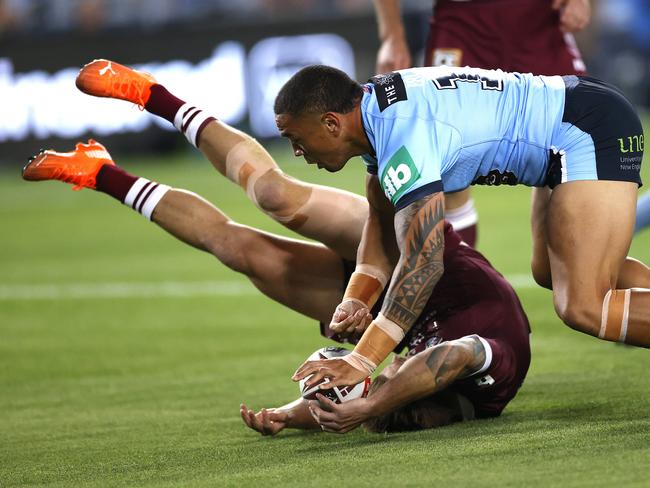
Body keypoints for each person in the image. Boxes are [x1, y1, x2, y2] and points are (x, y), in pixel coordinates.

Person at [21, 59, 530, 434]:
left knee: (237, 250)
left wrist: (289, 414)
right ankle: (156, 98)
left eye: (391, 416)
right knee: (275, 196)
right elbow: (445, 353)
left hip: (376, 309)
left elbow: (380, 384)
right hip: (397, 247)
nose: (394, 412)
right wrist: (366, 358)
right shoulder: (490, 375)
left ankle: (100, 172)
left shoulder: (398, 379)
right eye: (400, 412)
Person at [274, 64, 649, 393]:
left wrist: (361, 360)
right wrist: (356, 298)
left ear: (331, 123)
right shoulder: (376, 114)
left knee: (582, 305)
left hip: (584, 129)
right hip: (573, 117)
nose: (297, 152)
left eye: (296, 139)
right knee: (554, 271)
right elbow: (381, 225)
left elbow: (424, 264)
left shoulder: (404, 138)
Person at [373, 0, 591, 248]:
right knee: (446, 163)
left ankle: (571, 271)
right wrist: (392, 36)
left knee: (569, 149)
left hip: (537, 19)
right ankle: (465, 281)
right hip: (461, 24)